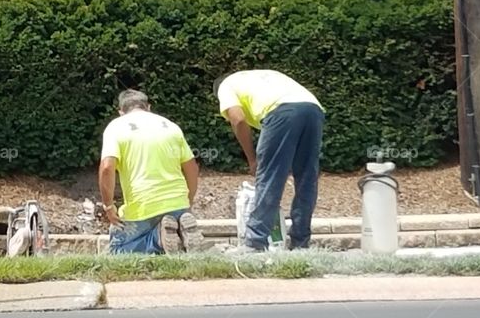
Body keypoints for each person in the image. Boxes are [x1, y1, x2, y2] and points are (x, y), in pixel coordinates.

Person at [214, 70, 325, 251]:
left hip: (281, 111)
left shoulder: (225, 86)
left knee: (270, 177)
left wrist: (252, 159)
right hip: (313, 109)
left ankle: (255, 242)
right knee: (307, 178)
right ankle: (300, 242)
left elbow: (238, 120)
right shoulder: (259, 76)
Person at [99, 89, 206, 254]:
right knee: (171, 224)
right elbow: (192, 166)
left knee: (116, 251)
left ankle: (158, 240)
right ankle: (179, 232)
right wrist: (188, 200)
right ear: (148, 107)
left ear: (121, 112)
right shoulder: (170, 126)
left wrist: (108, 206)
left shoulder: (116, 127)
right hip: (178, 204)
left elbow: (107, 167)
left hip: (143, 208)